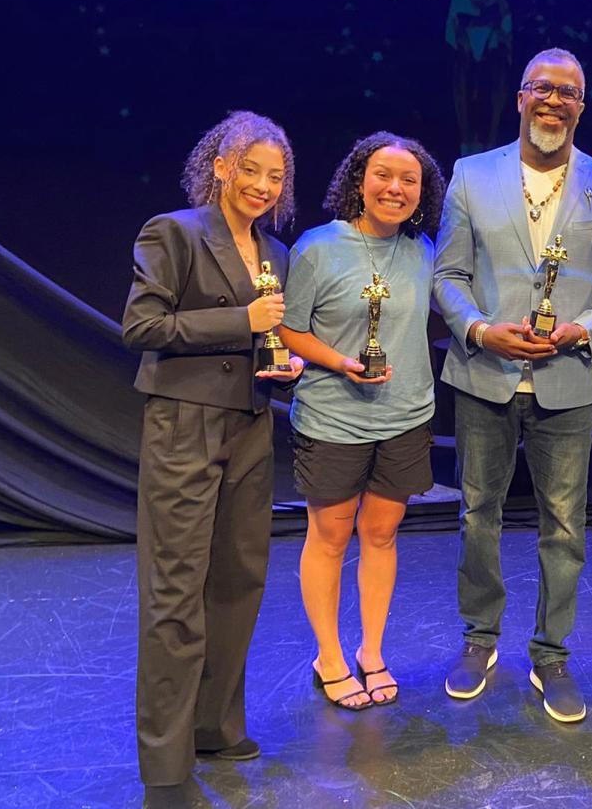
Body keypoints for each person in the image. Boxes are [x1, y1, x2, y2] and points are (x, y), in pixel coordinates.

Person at [433, 47, 592, 723]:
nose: (554, 101)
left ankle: (551, 654)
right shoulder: (470, 175)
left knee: (564, 527)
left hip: (565, 381)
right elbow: (447, 276)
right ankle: (479, 639)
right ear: (521, 97)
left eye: (569, 92)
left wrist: (582, 330)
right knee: (477, 516)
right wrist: (477, 330)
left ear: (582, 106)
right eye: (542, 88)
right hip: (483, 375)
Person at [122, 111, 303, 788]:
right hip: (183, 423)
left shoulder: (274, 254)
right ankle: (165, 769)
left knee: (237, 581)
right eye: (250, 170)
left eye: (275, 176)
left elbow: (265, 338)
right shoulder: (174, 231)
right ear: (221, 166)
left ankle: (215, 728)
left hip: (250, 425)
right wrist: (242, 321)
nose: (262, 185)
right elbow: (142, 326)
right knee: (175, 589)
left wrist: (282, 363)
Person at [279, 132, 444, 711]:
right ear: (359, 179)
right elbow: (289, 330)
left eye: (409, 180)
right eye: (383, 175)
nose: (394, 188)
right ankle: (329, 657)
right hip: (332, 419)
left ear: (422, 192)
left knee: (380, 535)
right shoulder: (318, 248)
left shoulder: (425, 250)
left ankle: (372, 652)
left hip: (405, 417)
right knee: (329, 536)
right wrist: (342, 363)